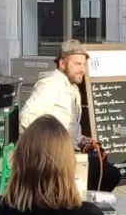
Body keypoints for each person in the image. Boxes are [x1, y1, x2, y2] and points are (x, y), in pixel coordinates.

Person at [19, 40, 118, 190]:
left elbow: (70, 127)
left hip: (70, 153)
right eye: (77, 64)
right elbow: (26, 118)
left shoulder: (72, 86)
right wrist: (54, 145)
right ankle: (76, 206)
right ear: (62, 64)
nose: (82, 69)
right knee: (105, 174)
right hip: (53, 158)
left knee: (108, 171)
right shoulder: (51, 84)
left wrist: (83, 140)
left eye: (84, 64)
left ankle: (82, 205)